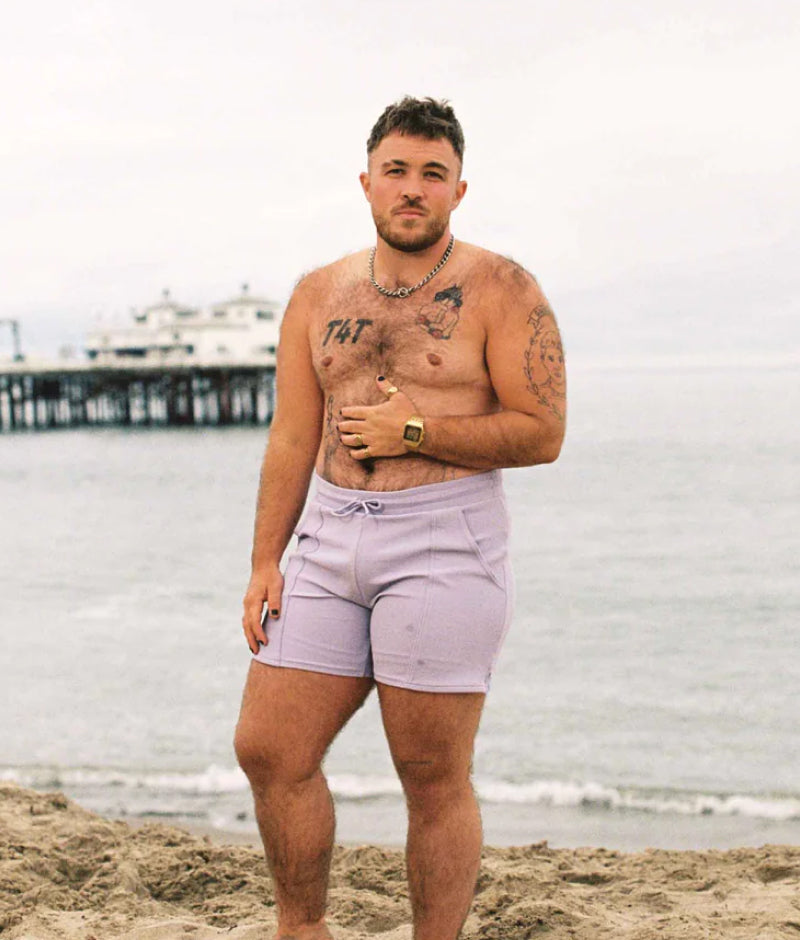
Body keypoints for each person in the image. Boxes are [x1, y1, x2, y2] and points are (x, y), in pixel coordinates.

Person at [234, 96, 566, 940]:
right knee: (270, 749)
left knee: (429, 773)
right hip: (327, 538)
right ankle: (300, 927)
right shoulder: (317, 294)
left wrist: (413, 429)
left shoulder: (503, 288)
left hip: (443, 538)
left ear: (460, 190)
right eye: (397, 171)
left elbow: (543, 432)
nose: (412, 188)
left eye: (433, 174)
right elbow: (290, 436)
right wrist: (265, 560)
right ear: (366, 182)